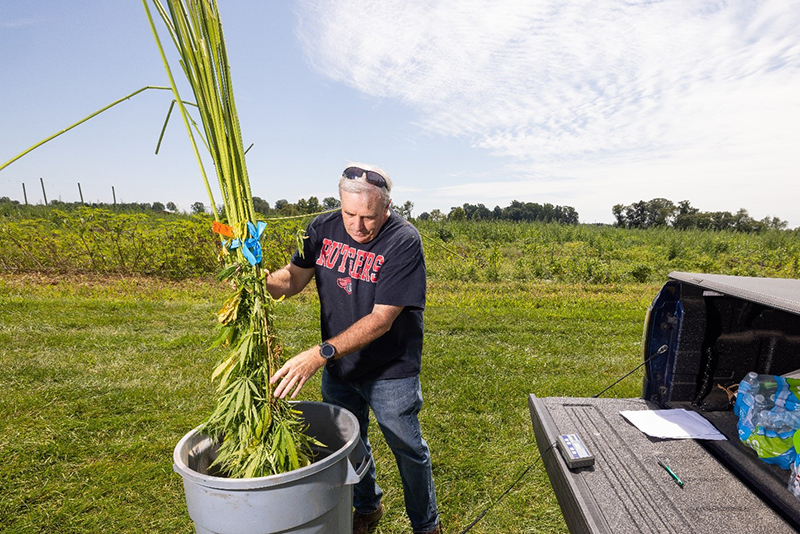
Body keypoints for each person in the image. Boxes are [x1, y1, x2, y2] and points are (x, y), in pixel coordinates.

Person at [266, 164, 441, 534]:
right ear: (339, 204)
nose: (358, 226)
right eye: (350, 214)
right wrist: (259, 281)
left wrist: (320, 354)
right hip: (342, 368)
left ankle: (426, 526)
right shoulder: (321, 228)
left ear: (387, 208)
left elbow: (382, 318)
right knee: (349, 444)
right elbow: (294, 277)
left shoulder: (403, 240)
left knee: (407, 448)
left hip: (390, 369)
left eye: (368, 217)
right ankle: (367, 506)